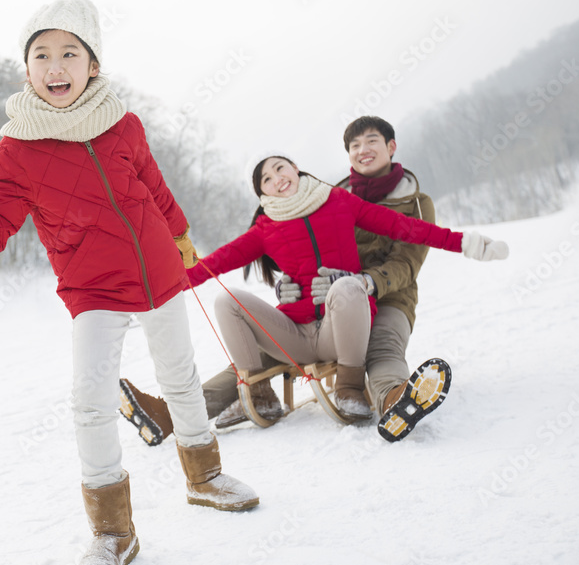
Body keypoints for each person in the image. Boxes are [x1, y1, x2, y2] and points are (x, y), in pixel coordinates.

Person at [0, 0, 257, 565]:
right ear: (25, 70)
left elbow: (155, 189)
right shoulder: (17, 150)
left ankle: (204, 476)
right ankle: (113, 533)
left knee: (181, 379)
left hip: (160, 273)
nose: (56, 65)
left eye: (70, 53)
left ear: (93, 65)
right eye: (42, 55)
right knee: (90, 399)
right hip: (93, 289)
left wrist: (181, 233)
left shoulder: (123, 124)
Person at [119, 132, 507, 444]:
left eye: (279, 168)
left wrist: (466, 243)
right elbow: (212, 264)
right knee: (229, 300)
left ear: (296, 167)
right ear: (262, 194)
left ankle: (364, 390)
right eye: (266, 180)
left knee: (352, 295)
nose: (276, 179)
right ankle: (251, 393)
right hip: (298, 333)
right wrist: (146, 293)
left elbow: (409, 230)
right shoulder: (265, 229)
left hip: (354, 322)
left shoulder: (339, 201)